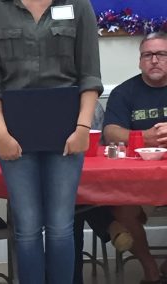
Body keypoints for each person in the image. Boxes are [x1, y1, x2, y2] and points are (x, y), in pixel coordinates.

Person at [0, 0, 103, 283]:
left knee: (61, 227)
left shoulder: (78, 5)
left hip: (68, 131)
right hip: (14, 133)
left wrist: (83, 127)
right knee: (28, 228)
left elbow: (90, 74)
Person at [103, 31, 167, 284]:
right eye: (147, 55)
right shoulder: (124, 92)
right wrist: (144, 138)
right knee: (121, 208)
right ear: (140, 61)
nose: (154, 60)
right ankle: (150, 268)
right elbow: (110, 133)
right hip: (137, 179)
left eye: (161, 54)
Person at [73, 103, 134, 284]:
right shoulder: (28, 104)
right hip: (42, 182)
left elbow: (97, 151)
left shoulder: (90, 106)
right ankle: (108, 224)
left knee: (72, 202)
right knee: (70, 201)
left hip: (83, 183)